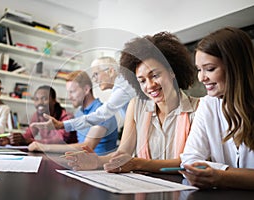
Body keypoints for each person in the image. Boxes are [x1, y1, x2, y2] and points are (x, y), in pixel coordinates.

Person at [64, 32, 199, 172]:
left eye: (155, 75)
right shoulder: (136, 106)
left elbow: (191, 161)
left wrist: (137, 164)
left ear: (172, 72)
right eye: (142, 80)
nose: (150, 85)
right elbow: (124, 153)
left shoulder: (198, 109)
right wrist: (97, 161)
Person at [180, 27, 254, 190]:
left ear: (236, 67)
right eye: (199, 69)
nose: (201, 78)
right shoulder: (208, 104)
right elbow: (189, 159)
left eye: (210, 69)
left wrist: (222, 176)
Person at [30, 56, 136, 133]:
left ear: (111, 71)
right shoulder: (120, 87)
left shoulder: (122, 88)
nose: (95, 80)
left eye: (96, 74)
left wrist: (61, 125)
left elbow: (100, 115)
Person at [28, 71, 119, 155]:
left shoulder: (102, 112)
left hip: (100, 169)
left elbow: (87, 147)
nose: (69, 97)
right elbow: (74, 144)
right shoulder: (79, 114)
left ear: (86, 90)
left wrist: (43, 146)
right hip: (83, 166)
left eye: (72, 92)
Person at [0, 85, 77, 146]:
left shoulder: (67, 117)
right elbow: (28, 135)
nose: (39, 102)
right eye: (36, 99)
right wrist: (10, 140)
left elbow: (58, 140)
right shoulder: (37, 115)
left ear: (54, 100)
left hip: (68, 158)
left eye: (44, 98)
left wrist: (28, 141)